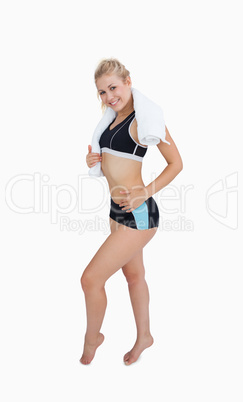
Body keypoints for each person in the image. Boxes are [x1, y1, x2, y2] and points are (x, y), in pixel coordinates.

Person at [80, 58, 183, 365]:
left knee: (90, 280)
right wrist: (95, 162)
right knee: (134, 277)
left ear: (127, 81)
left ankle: (92, 339)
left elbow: (176, 163)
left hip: (140, 214)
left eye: (113, 87)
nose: (109, 96)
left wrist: (145, 191)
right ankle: (145, 337)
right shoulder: (110, 120)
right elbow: (112, 161)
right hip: (116, 211)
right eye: (102, 92)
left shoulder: (145, 120)